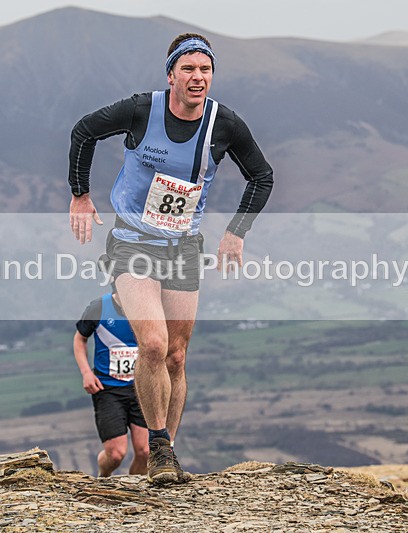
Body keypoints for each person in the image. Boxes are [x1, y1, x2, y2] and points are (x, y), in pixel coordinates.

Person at [68, 33, 273, 484]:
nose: (197, 77)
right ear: (172, 74)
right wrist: (80, 196)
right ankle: (158, 443)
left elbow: (261, 175)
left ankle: (166, 454)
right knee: (154, 345)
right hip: (133, 243)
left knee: (177, 356)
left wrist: (236, 233)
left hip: (183, 246)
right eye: (189, 69)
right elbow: (84, 130)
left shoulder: (225, 124)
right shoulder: (143, 110)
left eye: (205, 70)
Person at [74, 284, 149, 477]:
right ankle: (103, 478)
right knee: (116, 454)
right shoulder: (98, 308)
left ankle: (135, 491)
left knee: (145, 452)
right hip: (108, 389)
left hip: (141, 389)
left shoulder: (148, 308)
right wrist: (86, 373)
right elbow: (80, 338)